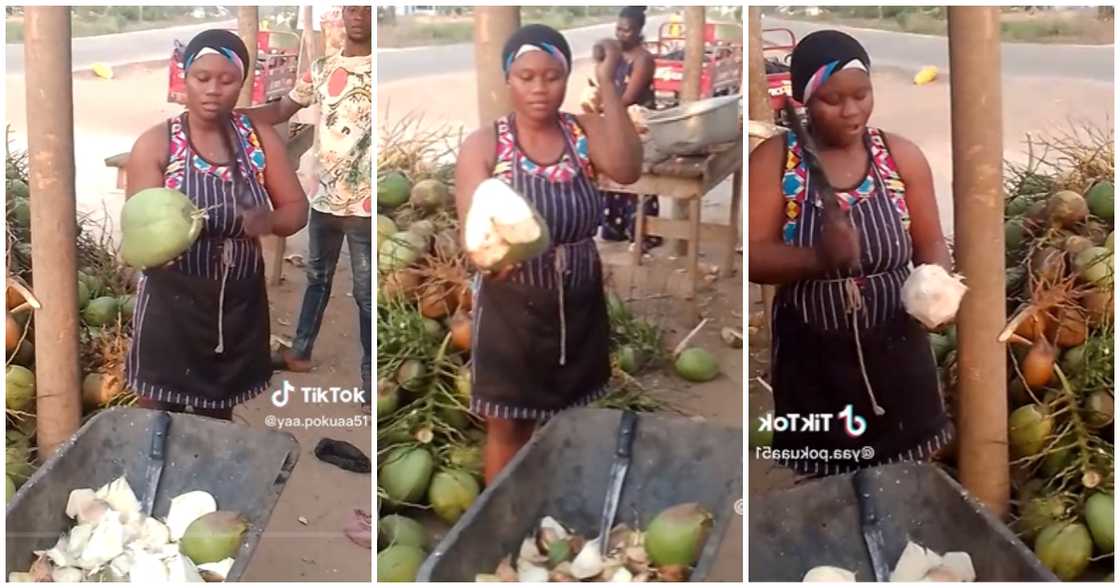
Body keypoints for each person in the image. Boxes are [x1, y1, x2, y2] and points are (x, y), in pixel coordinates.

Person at [748, 30, 954, 477]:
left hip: (898, 354)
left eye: (862, 94)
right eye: (831, 100)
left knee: (906, 478)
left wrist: (938, 286)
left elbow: (932, 242)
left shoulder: (900, 157)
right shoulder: (775, 161)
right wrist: (818, 258)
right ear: (804, 101)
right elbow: (754, 258)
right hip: (814, 359)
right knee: (830, 491)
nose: (851, 110)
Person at [455, 25, 643, 484]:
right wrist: (494, 259)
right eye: (527, 76)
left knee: (570, 421)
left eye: (553, 76)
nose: (540, 88)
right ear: (509, 79)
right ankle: (498, 524)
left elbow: (627, 168)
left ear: (567, 77)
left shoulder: (584, 133)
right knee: (508, 424)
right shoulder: (486, 145)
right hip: (510, 311)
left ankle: (557, 510)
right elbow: (474, 236)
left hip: (578, 305)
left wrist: (609, 80)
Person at [124, 30, 309, 420]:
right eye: (201, 78)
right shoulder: (158, 144)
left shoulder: (258, 142)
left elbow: (296, 210)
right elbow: (136, 233)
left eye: (226, 81)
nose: (212, 90)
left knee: (217, 418)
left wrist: (269, 221)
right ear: (185, 79)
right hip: (170, 306)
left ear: (240, 85)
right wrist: (168, 238)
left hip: (235, 306)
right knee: (156, 415)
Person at [244, 6, 373, 405]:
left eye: (367, 9)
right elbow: (283, 109)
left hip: (366, 206)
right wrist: (236, 117)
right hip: (325, 198)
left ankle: (373, 380)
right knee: (317, 278)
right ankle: (300, 352)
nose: (357, 15)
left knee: (367, 294)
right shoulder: (321, 68)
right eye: (351, 8)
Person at [600, 6, 661, 250]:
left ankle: (642, 233)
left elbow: (628, 97)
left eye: (627, 30)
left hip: (637, 125)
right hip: (616, 122)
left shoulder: (643, 59)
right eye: (618, 29)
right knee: (614, 173)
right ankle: (615, 229)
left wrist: (605, 103)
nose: (621, 34)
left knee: (638, 176)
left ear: (638, 32)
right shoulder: (614, 56)